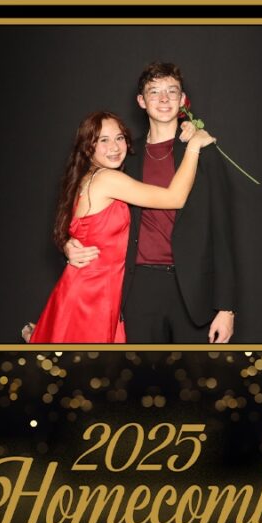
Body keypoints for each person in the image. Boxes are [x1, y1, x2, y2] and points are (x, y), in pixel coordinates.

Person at [64, 62, 236, 345]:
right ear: (141, 101)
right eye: (154, 92)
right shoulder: (124, 158)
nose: (164, 99)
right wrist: (69, 244)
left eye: (172, 91)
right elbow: (89, 211)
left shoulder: (204, 152)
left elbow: (223, 230)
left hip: (195, 291)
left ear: (182, 100)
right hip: (138, 289)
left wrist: (226, 307)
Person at [29, 110, 214, 344]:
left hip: (90, 290)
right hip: (92, 297)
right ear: (88, 147)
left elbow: (78, 229)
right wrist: (194, 146)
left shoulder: (85, 177)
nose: (114, 147)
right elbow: (174, 198)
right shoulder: (107, 179)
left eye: (119, 138)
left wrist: (67, 245)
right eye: (103, 140)